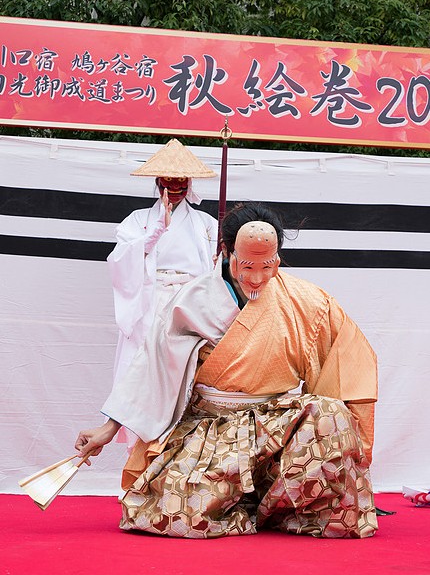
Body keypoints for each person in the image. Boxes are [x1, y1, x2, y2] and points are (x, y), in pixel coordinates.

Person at [76, 202, 378, 539]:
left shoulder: (308, 301)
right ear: (226, 251)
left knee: (331, 413)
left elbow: (346, 363)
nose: (257, 278)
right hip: (213, 432)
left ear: (277, 259)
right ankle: (243, 503)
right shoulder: (193, 300)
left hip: (277, 430)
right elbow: (152, 369)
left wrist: (352, 467)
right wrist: (108, 428)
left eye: (268, 266)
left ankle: (277, 505)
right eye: (247, 266)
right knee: (178, 514)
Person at [107, 138, 218, 446]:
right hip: (151, 300)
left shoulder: (206, 223)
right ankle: (138, 446)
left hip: (189, 303)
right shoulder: (138, 220)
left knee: (183, 372)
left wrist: (219, 259)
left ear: (189, 183)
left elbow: (216, 270)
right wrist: (157, 229)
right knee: (141, 369)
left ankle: (178, 443)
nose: (175, 186)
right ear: (158, 182)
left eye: (181, 180)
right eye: (168, 180)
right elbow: (120, 261)